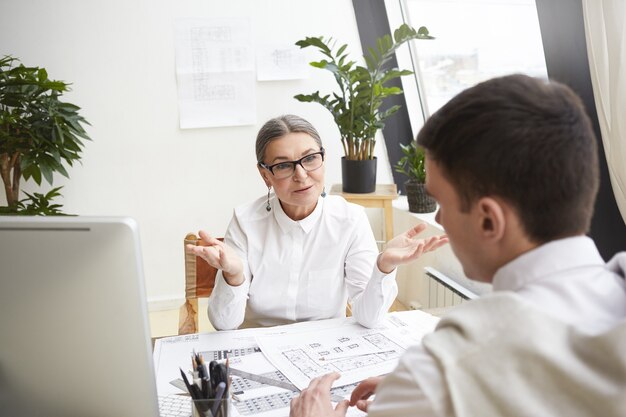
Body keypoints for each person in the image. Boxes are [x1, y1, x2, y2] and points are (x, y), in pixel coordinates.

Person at [289, 74, 626, 417]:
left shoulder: (448, 366)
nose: (440, 218)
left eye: (441, 203)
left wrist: (421, 390)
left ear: (489, 220)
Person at [187, 114, 448, 330]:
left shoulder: (350, 220)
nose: (301, 175)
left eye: (310, 158)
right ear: (265, 175)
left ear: (322, 159)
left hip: (323, 356)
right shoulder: (245, 221)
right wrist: (233, 274)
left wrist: (384, 267)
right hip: (259, 350)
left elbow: (368, 318)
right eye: (283, 166)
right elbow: (224, 324)